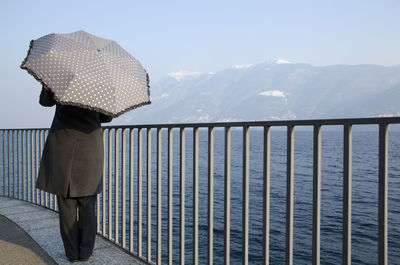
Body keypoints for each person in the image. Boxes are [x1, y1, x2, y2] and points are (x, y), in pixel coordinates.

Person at [37, 86, 112, 262]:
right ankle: (85, 252)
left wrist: (47, 85)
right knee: (87, 205)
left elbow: (44, 102)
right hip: (89, 149)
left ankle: (71, 253)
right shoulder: (98, 86)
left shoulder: (60, 79)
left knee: (66, 204)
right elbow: (106, 117)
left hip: (62, 146)